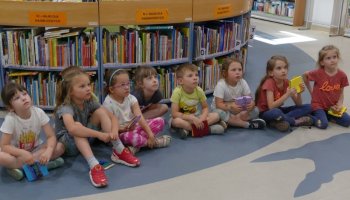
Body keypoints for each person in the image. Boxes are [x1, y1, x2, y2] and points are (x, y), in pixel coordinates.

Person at [54, 69, 140, 188]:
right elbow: (73, 129)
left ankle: (119, 149)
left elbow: (112, 117)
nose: (88, 88)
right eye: (82, 86)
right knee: (77, 127)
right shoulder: (66, 107)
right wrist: (99, 135)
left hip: (87, 141)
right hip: (69, 144)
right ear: (71, 91)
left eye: (89, 84)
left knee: (100, 112)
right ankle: (94, 165)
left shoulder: (89, 102)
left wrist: (114, 131)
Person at [0, 82, 64, 181]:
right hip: (17, 154)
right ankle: (43, 165)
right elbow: (4, 146)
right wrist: (22, 153)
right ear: (11, 108)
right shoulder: (10, 119)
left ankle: (19, 168)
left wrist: (48, 152)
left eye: (24, 94)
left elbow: (51, 136)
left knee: (60, 147)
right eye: (17, 98)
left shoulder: (39, 112)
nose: (23, 98)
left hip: (36, 150)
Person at [103, 69, 171, 154]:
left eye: (128, 83)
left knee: (160, 121)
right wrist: (122, 129)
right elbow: (108, 128)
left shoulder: (131, 98)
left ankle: (136, 146)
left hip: (134, 127)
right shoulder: (108, 104)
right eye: (123, 85)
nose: (127, 87)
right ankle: (154, 143)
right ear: (112, 89)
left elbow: (140, 117)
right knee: (130, 137)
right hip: (120, 134)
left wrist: (150, 134)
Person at [255, 55, 313, 132]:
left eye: (285, 67)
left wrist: (299, 93)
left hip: (279, 110)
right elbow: (271, 107)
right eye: (279, 68)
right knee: (276, 112)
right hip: (266, 113)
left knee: (309, 106)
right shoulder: (269, 83)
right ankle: (294, 121)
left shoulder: (286, 82)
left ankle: (278, 121)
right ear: (271, 72)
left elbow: (299, 104)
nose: (283, 71)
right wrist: (287, 95)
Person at [170, 63, 226, 139]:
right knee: (176, 121)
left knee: (216, 116)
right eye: (190, 76)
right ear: (180, 81)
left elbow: (205, 108)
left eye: (196, 75)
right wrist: (191, 118)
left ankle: (188, 130)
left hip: (197, 117)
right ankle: (208, 130)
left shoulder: (199, 90)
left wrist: (202, 118)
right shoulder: (177, 92)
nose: (195, 78)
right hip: (183, 118)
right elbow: (174, 113)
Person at [303, 45, 350, 129]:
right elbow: (305, 75)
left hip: (332, 107)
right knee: (323, 124)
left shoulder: (342, 75)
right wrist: (311, 92)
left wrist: (339, 105)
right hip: (318, 105)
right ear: (322, 62)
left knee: (347, 121)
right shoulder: (318, 73)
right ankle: (310, 117)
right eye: (328, 58)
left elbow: (341, 93)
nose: (332, 60)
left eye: (334, 57)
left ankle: (327, 116)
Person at [211, 57, 266, 129]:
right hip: (225, 109)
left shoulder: (243, 82)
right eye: (233, 70)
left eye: (240, 70)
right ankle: (246, 124)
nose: (237, 72)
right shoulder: (221, 85)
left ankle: (232, 121)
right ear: (225, 73)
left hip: (238, 111)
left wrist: (251, 104)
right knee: (219, 113)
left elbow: (250, 99)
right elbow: (218, 105)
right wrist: (231, 107)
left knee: (256, 110)